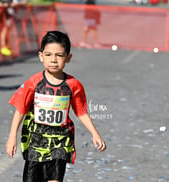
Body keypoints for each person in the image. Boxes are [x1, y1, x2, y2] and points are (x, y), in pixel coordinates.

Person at [6, 31, 106, 182]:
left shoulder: (73, 85)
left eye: (59, 55)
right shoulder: (34, 83)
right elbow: (20, 109)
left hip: (60, 141)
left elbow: (81, 112)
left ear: (68, 58)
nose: (53, 60)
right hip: (35, 143)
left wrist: (95, 133)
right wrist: (12, 136)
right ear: (41, 56)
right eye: (48, 55)